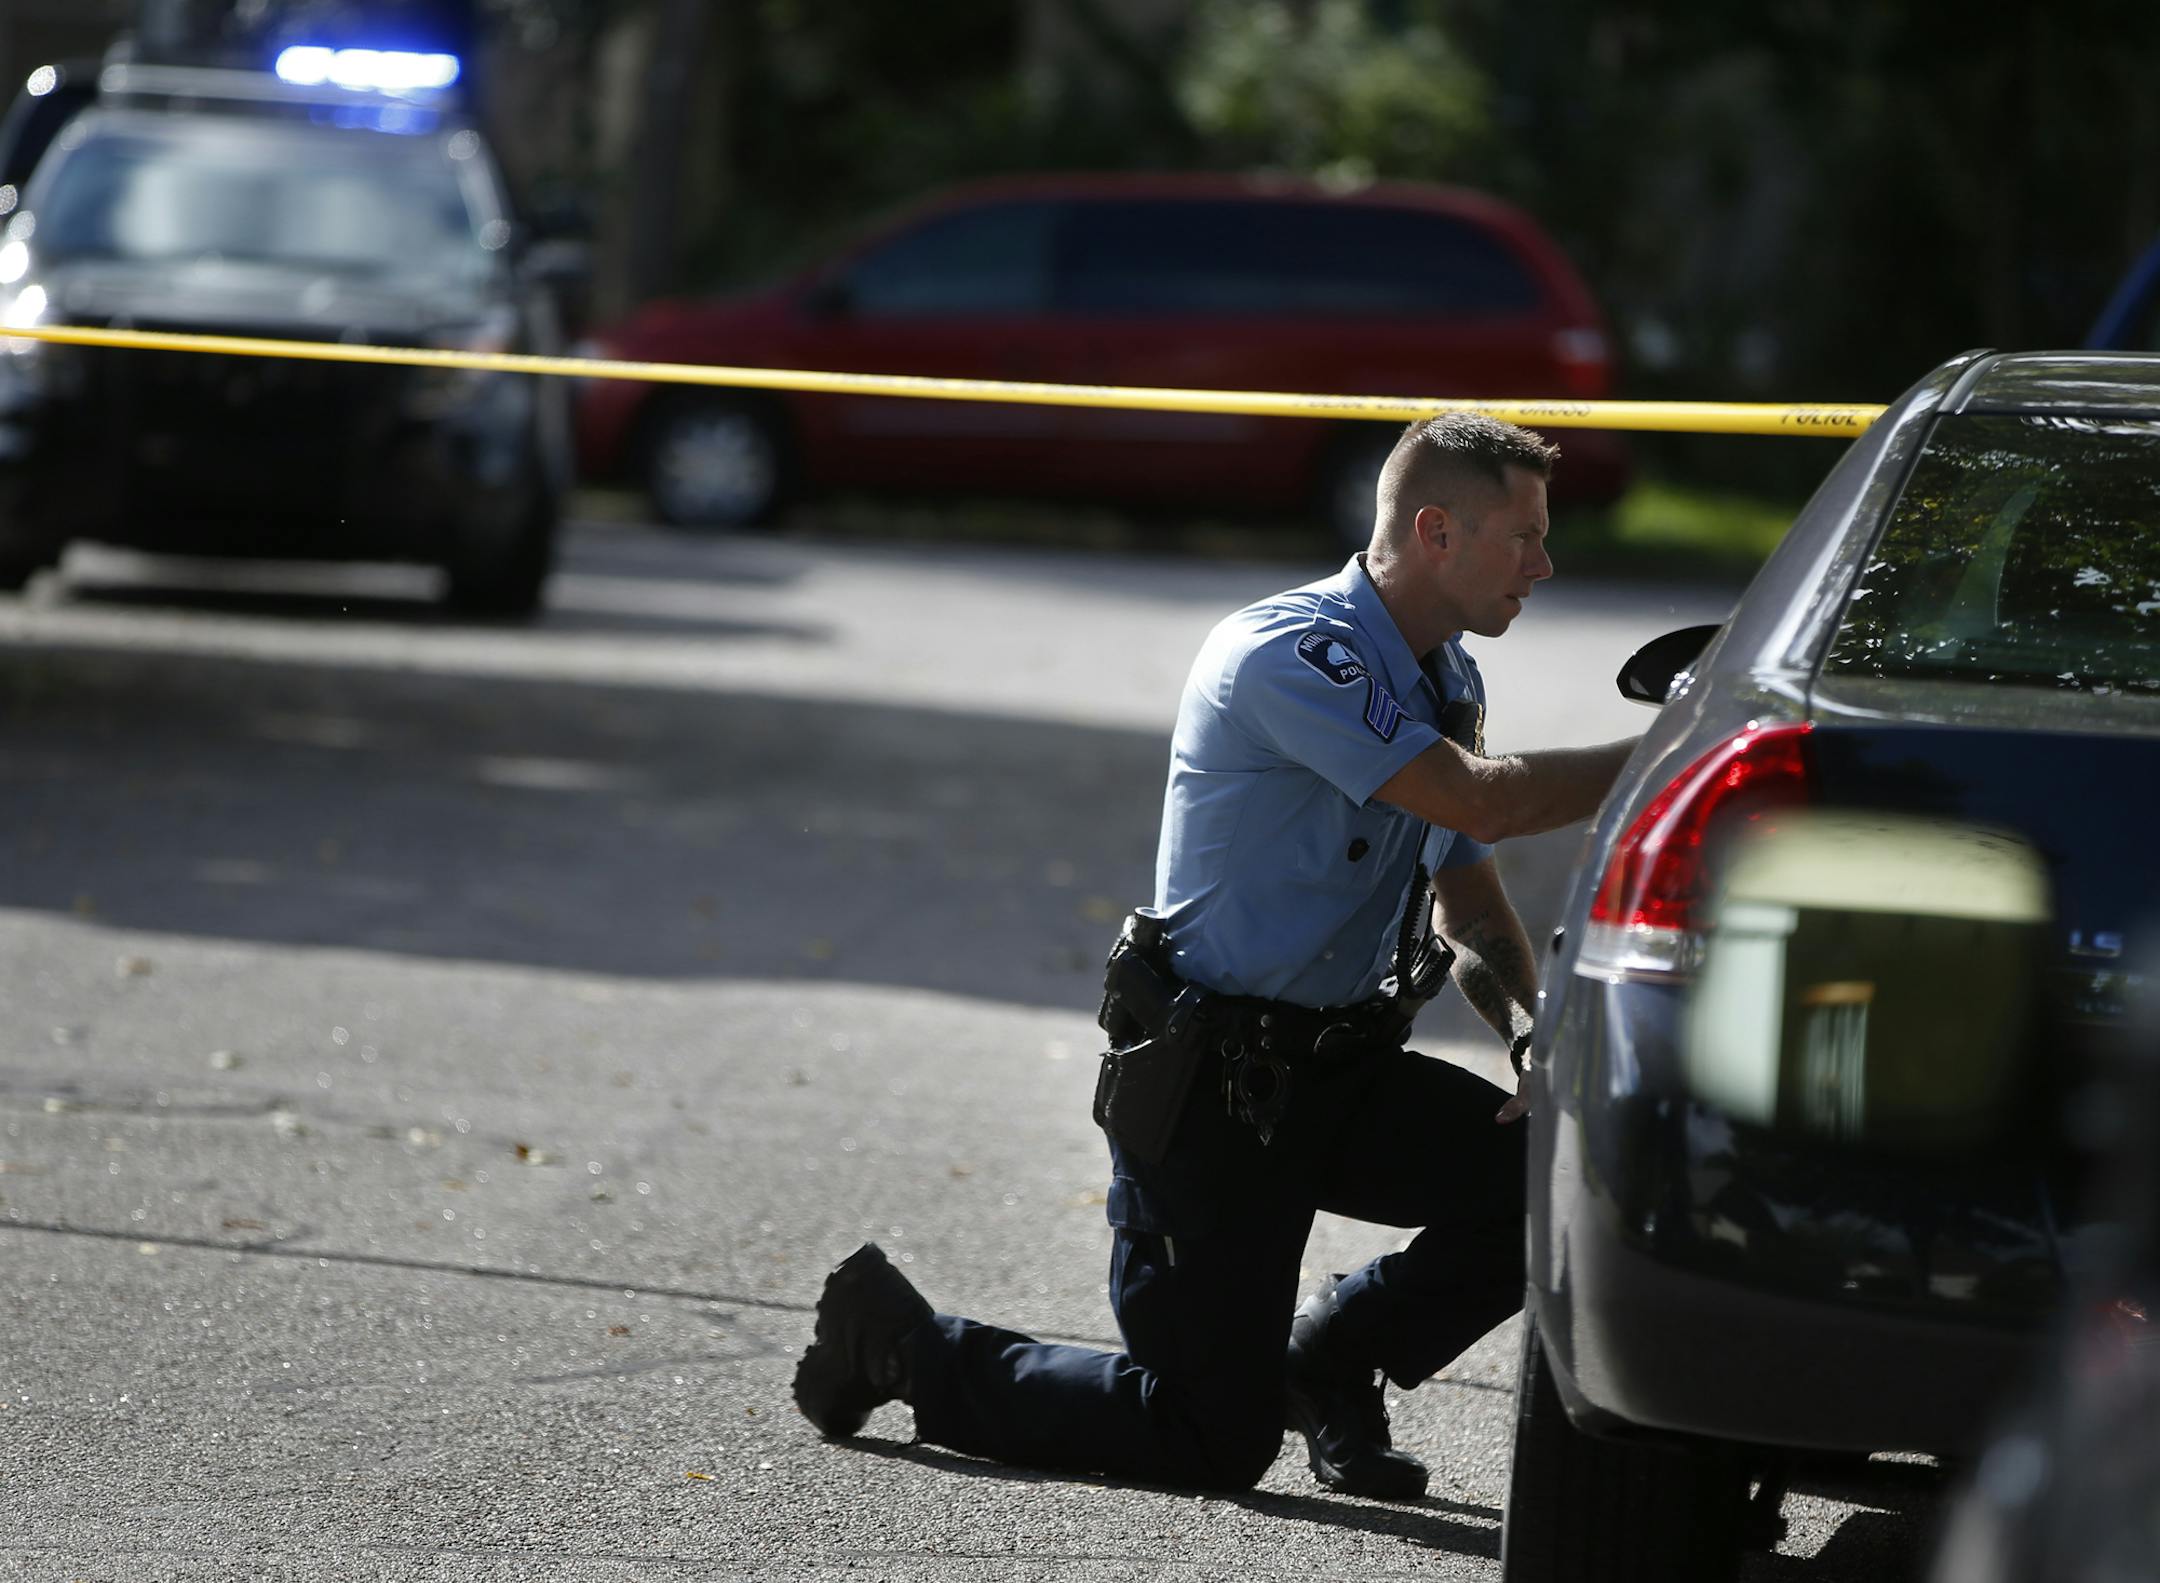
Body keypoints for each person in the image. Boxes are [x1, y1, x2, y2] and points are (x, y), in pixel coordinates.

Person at [792, 413, 1639, 1498]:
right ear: (1436, 530)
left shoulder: (1444, 676)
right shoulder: (1292, 655)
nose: (1545, 563)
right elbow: (1486, 800)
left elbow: (1463, 885)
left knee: (1548, 1174)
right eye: (1524, 535)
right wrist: (1689, 738)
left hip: (1338, 1072)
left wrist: (1529, 1025)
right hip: (1215, 1098)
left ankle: (1331, 1359)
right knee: (1207, 1437)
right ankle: (904, 1342)